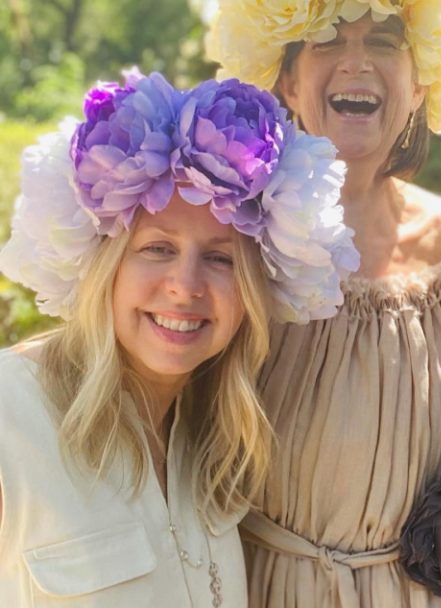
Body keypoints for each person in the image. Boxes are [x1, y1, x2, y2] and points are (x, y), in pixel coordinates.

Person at [204, 0, 441, 606]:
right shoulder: (230, 233)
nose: (356, 62)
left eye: (385, 40)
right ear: (286, 80)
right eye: (328, 39)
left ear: (423, 77)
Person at [0, 71, 357, 607]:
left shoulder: (209, 448)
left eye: (219, 259)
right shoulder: (12, 416)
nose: (185, 286)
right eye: (157, 249)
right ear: (106, 265)